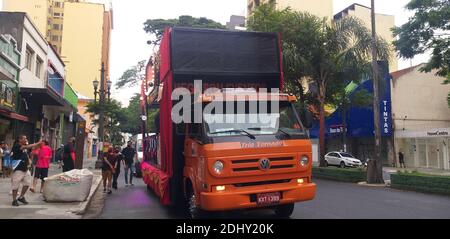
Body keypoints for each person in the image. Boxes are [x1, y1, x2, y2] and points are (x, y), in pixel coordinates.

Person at [10, 135, 42, 207]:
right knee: (15, 185)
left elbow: (32, 148)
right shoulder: (17, 146)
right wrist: (38, 143)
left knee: (27, 183)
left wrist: (38, 145)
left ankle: (21, 197)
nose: (26, 139)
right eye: (24, 138)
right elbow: (28, 147)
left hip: (25, 169)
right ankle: (14, 200)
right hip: (18, 169)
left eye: (26, 138)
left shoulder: (24, 146)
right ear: (20, 139)